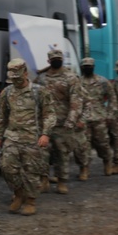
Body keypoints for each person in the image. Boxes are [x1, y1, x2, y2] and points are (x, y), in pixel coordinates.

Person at [0, 58, 56, 216]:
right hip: (12, 136)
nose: (16, 81)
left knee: (31, 171)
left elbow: (50, 114)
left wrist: (45, 133)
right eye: (13, 78)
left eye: (18, 77)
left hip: (32, 137)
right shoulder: (7, 92)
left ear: (26, 73)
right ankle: (19, 193)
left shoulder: (39, 92)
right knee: (6, 167)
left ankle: (31, 201)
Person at [36, 49, 82, 194]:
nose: (56, 60)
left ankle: (62, 181)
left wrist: (71, 120)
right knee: (41, 153)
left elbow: (76, 101)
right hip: (44, 123)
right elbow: (34, 98)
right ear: (49, 61)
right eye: (53, 58)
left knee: (62, 152)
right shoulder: (41, 78)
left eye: (59, 58)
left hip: (63, 123)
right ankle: (43, 180)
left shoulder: (71, 78)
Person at [76, 57, 117, 178]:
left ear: (93, 67)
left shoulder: (102, 81)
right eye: (85, 66)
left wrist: (110, 115)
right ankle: (84, 168)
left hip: (99, 118)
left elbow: (112, 98)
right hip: (82, 119)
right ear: (82, 68)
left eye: (89, 66)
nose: (87, 68)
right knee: (82, 146)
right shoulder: (77, 82)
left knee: (102, 143)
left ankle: (107, 162)